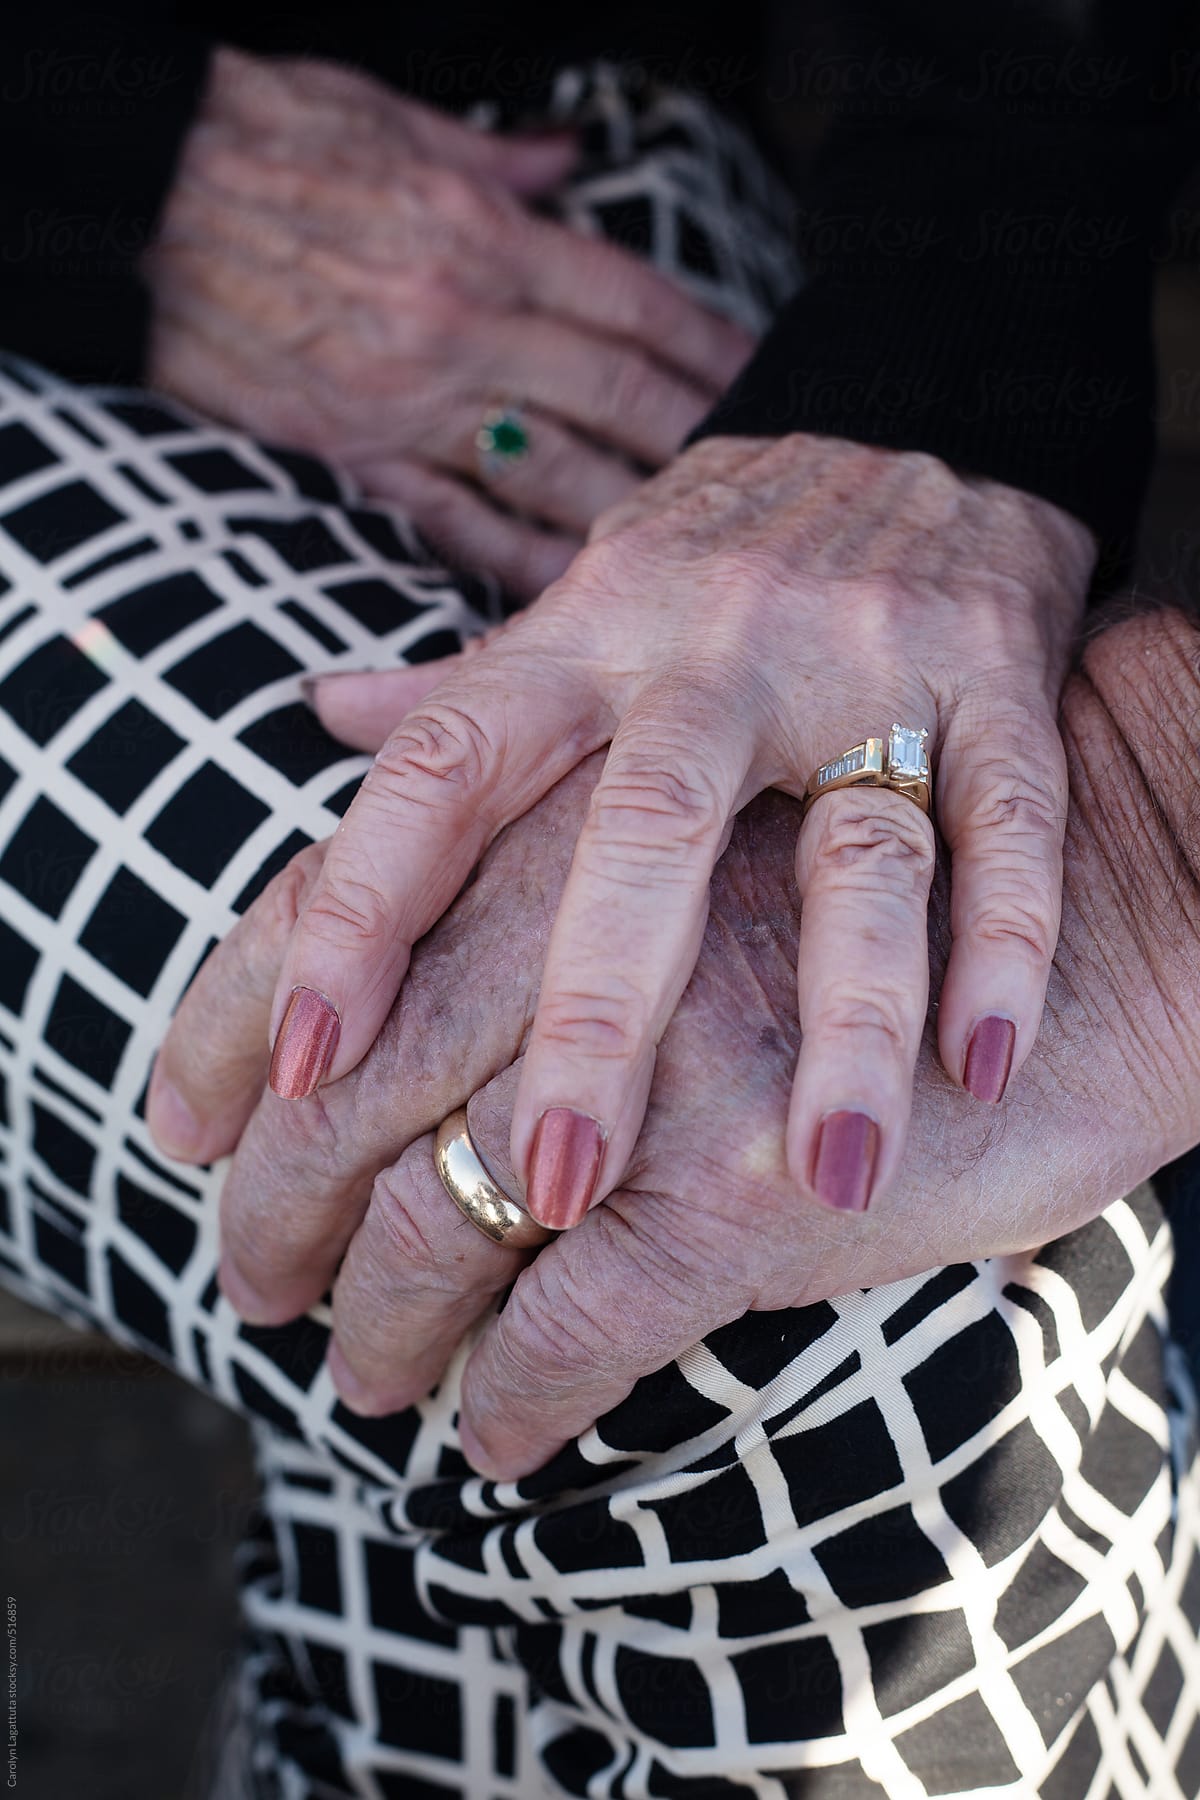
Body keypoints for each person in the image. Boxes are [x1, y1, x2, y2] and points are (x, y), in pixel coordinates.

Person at [0, 8, 1197, 1799]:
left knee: (766, 1186)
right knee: (813, 1362)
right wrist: (91, 149)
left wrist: (929, 403)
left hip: (579, 230)